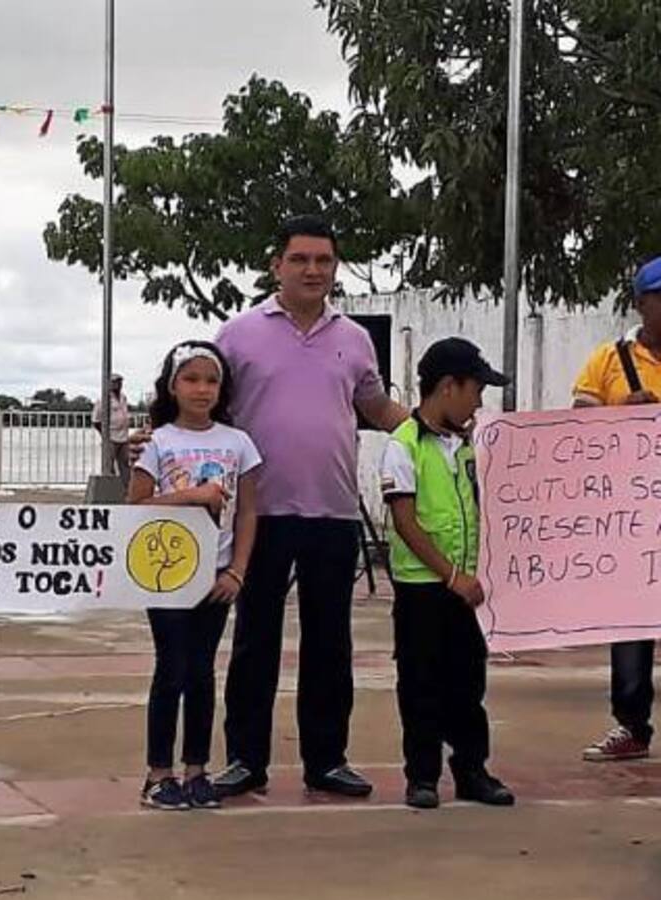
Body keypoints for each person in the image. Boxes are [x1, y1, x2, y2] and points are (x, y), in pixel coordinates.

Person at [208, 214, 407, 799]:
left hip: (334, 512)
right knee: (254, 641)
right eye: (300, 259)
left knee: (330, 644)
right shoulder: (238, 334)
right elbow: (206, 406)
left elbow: (375, 406)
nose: (312, 270)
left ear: (335, 267)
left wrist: (436, 432)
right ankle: (245, 759)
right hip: (258, 515)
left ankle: (327, 760)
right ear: (277, 266)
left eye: (323, 260)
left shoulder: (355, 339)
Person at [380, 338, 515, 809]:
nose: (480, 401)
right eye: (476, 389)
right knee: (420, 683)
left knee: (467, 683)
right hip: (422, 589)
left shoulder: (469, 447)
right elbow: (406, 521)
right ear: (447, 387)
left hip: (467, 590)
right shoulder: (404, 446)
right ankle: (422, 775)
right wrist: (450, 575)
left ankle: (472, 769)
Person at [129, 341, 261, 810]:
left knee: (202, 672)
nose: (201, 389)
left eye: (211, 380)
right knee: (172, 669)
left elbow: (248, 512)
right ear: (172, 385)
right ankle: (158, 773)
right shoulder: (160, 442)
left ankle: (197, 768)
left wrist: (238, 572)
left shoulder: (238, 442)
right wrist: (192, 496)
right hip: (167, 575)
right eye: (191, 379)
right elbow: (137, 506)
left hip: (216, 575)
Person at [574, 256, 661, 762]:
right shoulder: (609, 360)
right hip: (630, 522)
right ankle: (631, 726)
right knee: (630, 624)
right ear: (639, 303)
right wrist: (617, 417)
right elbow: (575, 427)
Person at [93, 373, 132, 494]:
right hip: (111, 437)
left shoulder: (123, 397)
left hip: (124, 437)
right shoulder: (103, 399)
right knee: (108, 466)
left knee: (125, 464)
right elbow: (96, 420)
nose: (118, 384)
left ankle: (127, 490)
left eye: (120, 382)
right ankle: (110, 490)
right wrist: (105, 435)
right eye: (115, 382)